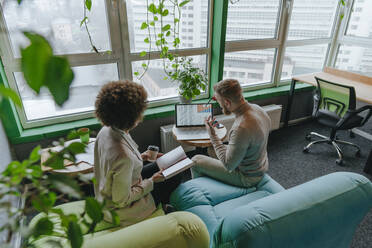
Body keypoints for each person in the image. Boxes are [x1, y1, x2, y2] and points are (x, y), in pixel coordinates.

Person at [94, 80, 178, 227]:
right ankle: (161, 208)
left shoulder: (107, 130)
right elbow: (121, 200)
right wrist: (152, 181)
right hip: (122, 209)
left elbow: (118, 163)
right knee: (173, 176)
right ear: (131, 117)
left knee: (170, 164)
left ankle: (161, 203)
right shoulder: (123, 157)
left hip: (117, 186)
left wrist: (142, 156)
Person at [191, 79, 271, 187]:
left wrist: (212, 135)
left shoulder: (241, 127)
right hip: (259, 165)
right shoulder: (258, 109)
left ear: (227, 102)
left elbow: (229, 165)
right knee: (211, 149)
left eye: (218, 101)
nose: (218, 104)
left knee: (195, 161)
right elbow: (246, 141)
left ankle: (200, 190)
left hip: (247, 177)